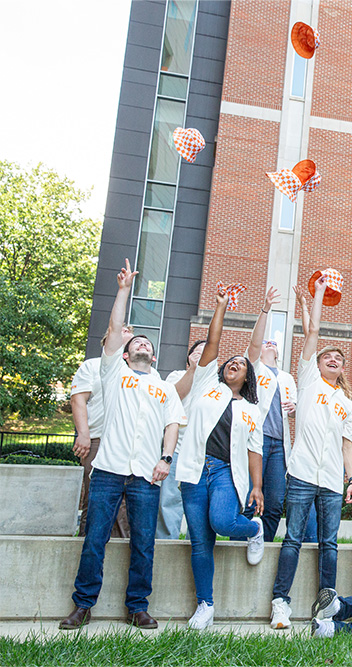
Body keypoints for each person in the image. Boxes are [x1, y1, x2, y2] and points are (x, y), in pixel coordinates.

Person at [59, 260, 184, 631]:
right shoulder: (114, 374)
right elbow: (115, 330)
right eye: (135, 343)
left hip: (147, 475)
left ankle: (137, 607)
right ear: (125, 355)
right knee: (95, 539)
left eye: (147, 343)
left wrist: (165, 459)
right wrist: (124, 290)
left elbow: (173, 424)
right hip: (108, 471)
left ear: (154, 356)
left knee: (143, 543)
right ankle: (83, 605)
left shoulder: (164, 387)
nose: (141, 343)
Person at [173, 283, 266, 630]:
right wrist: (221, 307)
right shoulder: (206, 385)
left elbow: (255, 451)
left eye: (241, 364)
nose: (234, 364)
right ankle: (205, 605)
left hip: (226, 472)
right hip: (195, 470)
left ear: (247, 376)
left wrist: (257, 487)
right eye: (231, 361)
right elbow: (212, 343)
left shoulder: (252, 410)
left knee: (223, 523)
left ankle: (253, 529)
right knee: (200, 542)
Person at [271, 276, 352, 620]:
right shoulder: (307, 381)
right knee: (292, 538)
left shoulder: (347, 404)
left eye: (339, 358)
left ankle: (326, 607)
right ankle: (280, 602)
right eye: (327, 356)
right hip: (303, 473)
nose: (333, 359)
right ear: (317, 364)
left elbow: (348, 445)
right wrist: (318, 294)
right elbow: (313, 333)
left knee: (329, 544)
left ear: (343, 368)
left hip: (333, 481)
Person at [245, 287, 299, 543]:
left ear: (278, 352)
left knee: (276, 501)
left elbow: (293, 410)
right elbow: (254, 345)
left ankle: (262, 543)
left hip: (280, 445)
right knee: (249, 497)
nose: (269, 344)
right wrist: (265, 309)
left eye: (273, 343)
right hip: (257, 441)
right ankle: (241, 542)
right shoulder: (255, 369)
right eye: (267, 342)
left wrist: (294, 409)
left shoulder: (287, 378)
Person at [70, 325, 134, 537]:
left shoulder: (136, 372)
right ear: (108, 339)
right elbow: (78, 399)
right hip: (97, 439)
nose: (128, 334)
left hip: (127, 443)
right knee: (95, 497)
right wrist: (84, 434)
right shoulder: (92, 366)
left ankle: (121, 546)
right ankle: (87, 544)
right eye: (122, 331)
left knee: (124, 502)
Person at [161, 339, 206, 539]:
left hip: (202, 452)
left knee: (198, 504)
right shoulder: (177, 375)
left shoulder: (216, 383)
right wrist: (193, 369)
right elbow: (174, 397)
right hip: (177, 448)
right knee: (169, 500)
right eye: (198, 351)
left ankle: (195, 546)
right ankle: (165, 544)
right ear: (189, 357)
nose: (203, 354)